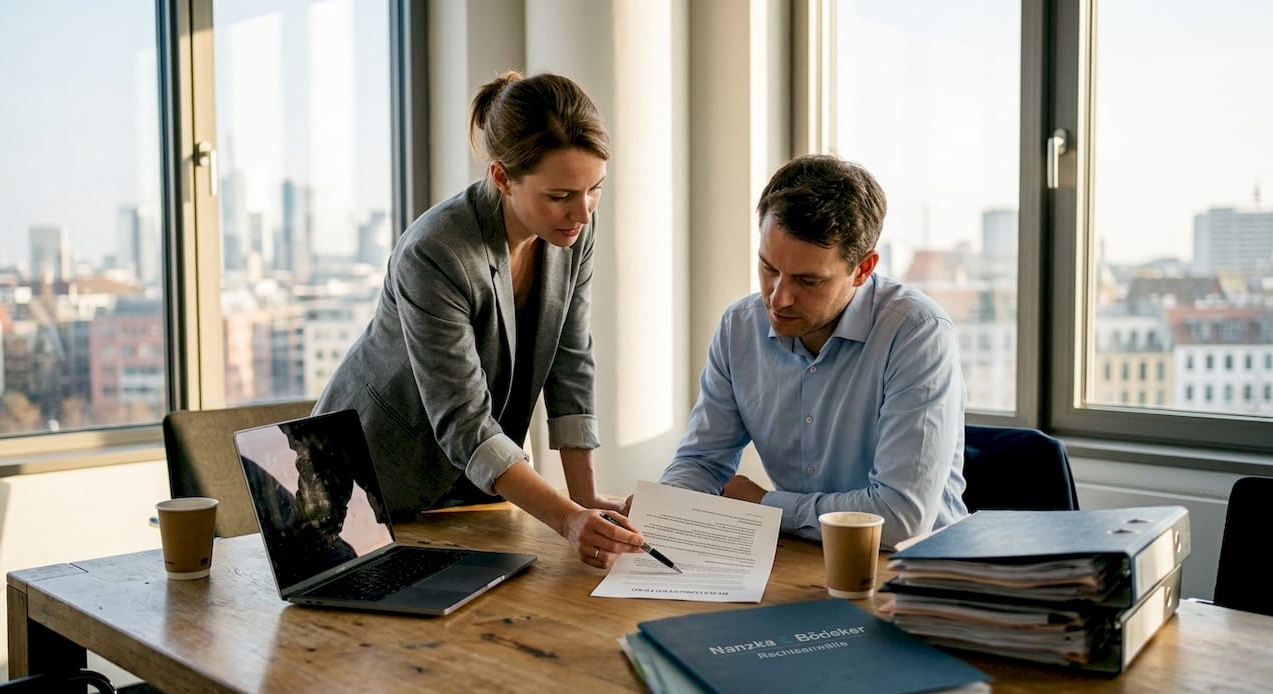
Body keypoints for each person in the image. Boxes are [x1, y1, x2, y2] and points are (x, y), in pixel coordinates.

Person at [314, 71, 642, 568]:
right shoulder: (436, 251)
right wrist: (567, 519)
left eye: (594, 189)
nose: (583, 212)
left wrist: (586, 498)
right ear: (502, 177)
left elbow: (570, 363)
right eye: (559, 196)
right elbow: (464, 420)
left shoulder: (570, 235)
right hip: (365, 490)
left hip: (477, 490)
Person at [658, 154, 968, 549]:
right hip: (797, 559)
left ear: (863, 268)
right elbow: (702, 463)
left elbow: (899, 519)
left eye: (808, 280)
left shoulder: (917, 333)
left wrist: (766, 507)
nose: (778, 298)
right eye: (769, 267)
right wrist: (665, 509)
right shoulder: (739, 328)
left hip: (911, 575)